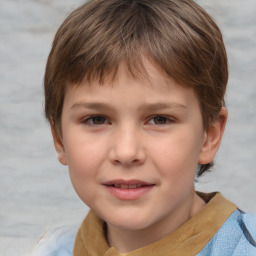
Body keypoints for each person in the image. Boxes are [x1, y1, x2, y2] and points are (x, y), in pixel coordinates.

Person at [33, 0, 256, 255]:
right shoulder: (51, 249)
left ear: (209, 136)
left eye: (159, 119)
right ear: (59, 138)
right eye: (96, 119)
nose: (127, 152)